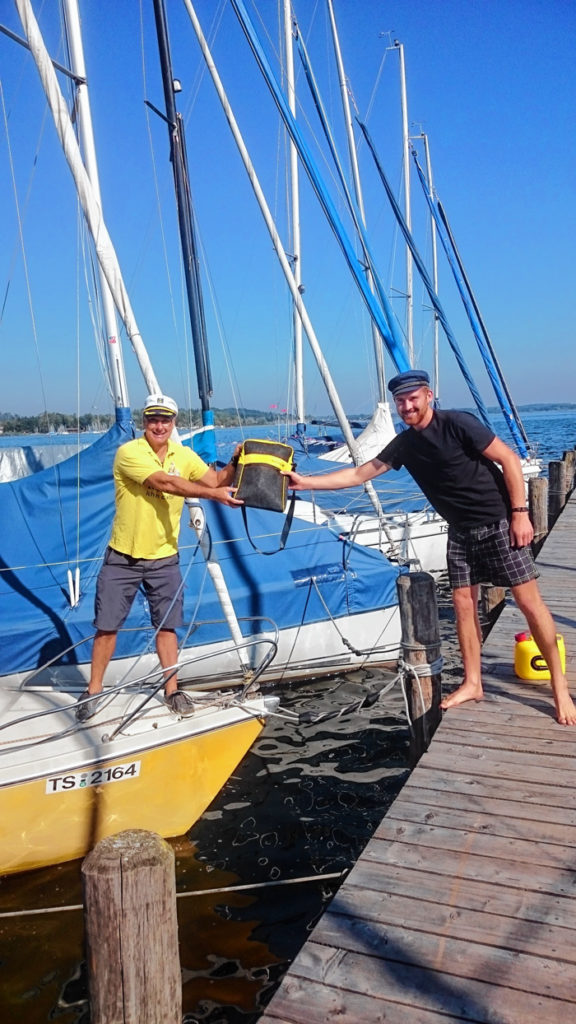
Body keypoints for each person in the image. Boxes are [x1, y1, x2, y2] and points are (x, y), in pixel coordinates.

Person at [284, 370, 576, 727]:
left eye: (413, 398)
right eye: (400, 402)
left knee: (530, 603)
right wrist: (305, 482)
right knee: (463, 605)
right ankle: (473, 682)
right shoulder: (406, 444)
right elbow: (359, 475)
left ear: (428, 395)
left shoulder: (458, 424)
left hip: (499, 522)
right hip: (460, 531)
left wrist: (520, 514)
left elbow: (510, 460)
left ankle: (559, 687)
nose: (407, 406)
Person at [76, 393, 242, 722]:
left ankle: (172, 689)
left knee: (167, 627)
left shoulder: (184, 454)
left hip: (165, 556)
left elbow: (217, 480)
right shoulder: (129, 452)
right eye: (153, 419)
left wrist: (236, 461)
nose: (159, 425)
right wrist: (213, 496)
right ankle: (93, 689)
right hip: (123, 556)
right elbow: (165, 482)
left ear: (174, 423)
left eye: (165, 420)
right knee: (107, 627)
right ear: (144, 423)